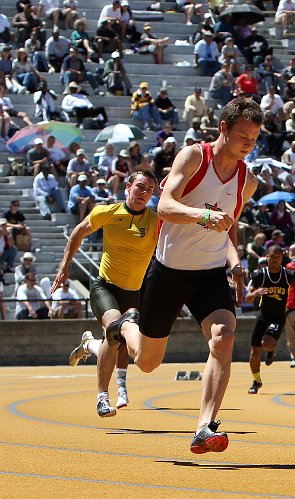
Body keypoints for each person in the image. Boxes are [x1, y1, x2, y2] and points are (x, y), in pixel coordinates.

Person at [100, 98, 261, 454]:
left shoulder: (247, 180)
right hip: (169, 271)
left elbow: (229, 226)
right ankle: (126, 325)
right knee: (147, 363)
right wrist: (202, 216)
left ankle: (205, 426)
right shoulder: (193, 157)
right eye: (242, 135)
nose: (248, 143)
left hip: (209, 273)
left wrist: (234, 262)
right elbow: (165, 206)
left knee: (224, 336)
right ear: (223, 128)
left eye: (254, 137)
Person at [59, 170, 158, 417]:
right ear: (128, 186)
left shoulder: (156, 220)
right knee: (114, 329)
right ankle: (103, 397)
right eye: (140, 187)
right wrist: (64, 267)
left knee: (114, 341)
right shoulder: (108, 212)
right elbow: (78, 232)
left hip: (134, 292)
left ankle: (89, 345)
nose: (143, 193)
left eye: (149, 190)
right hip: (105, 287)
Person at [245, 246, 295, 394]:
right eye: (273, 256)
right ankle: (256, 380)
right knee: (254, 352)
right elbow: (247, 297)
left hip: (278, 317)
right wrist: (256, 292)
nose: (276, 258)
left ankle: (271, 349)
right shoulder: (260, 275)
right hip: (263, 315)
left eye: (279, 256)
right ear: (267, 257)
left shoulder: (287, 274)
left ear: (283, 258)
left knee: (267, 343)